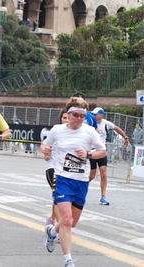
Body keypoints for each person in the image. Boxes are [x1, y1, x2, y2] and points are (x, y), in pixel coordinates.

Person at [41, 97, 106, 267]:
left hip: (81, 181)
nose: (78, 119)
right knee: (67, 219)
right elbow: (44, 144)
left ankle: (52, 232)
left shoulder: (89, 131)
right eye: (75, 115)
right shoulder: (57, 130)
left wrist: (88, 155)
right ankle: (68, 260)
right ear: (68, 114)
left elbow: (102, 151)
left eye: (82, 116)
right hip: (63, 179)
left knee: (72, 222)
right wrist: (45, 149)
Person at [89, 107, 129, 205]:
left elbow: (117, 128)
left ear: (101, 115)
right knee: (92, 175)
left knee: (104, 174)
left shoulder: (106, 123)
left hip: (102, 151)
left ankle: (103, 197)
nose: (94, 116)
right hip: (91, 152)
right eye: (93, 114)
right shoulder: (89, 123)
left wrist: (125, 137)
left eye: (96, 114)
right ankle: (79, 188)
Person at [42, 109, 68, 227]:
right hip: (52, 167)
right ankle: (59, 227)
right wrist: (45, 152)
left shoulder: (77, 133)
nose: (66, 120)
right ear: (60, 119)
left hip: (66, 171)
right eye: (64, 118)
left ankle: (52, 220)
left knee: (59, 198)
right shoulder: (56, 130)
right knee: (59, 196)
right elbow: (44, 144)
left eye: (68, 118)